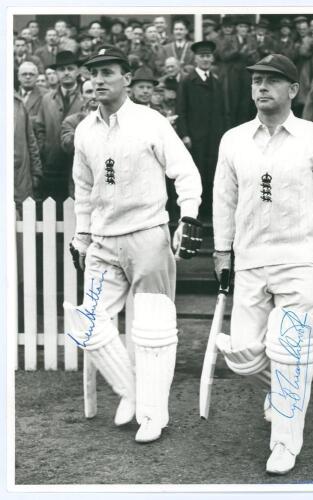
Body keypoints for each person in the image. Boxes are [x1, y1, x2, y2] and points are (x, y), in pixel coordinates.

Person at [212, 54, 313, 475]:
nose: (262, 87)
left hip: (298, 263)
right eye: (256, 80)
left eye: (272, 80)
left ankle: (285, 442)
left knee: (292, 354)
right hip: (251, 263)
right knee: (241, 352)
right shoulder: (233, 139)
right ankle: (281, 390)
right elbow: (223, 200)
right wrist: (223, 251)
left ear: (293, 90)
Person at [64, 45, 202, 444]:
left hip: (147, 236)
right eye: (95, 73)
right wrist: (82, 236)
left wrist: (188, 215)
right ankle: (132, 391)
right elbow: (85, 189)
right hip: (104, 241)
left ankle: (153, 414)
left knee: (153, 329)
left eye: (108, 72)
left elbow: (186, 173)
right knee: (89, 322)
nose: (100, 80)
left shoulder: (150, 121)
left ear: (127, 79)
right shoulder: (86, 130)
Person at [176, 41, 228, 216]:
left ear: (212, 58)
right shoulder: (187, 81)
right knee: (196, 171)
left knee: (212, 171)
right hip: (195, 137)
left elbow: (222, 111)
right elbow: (181, 110)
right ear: (195, 58)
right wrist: (184, 135)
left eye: (208, 56)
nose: (205, 59)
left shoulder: (216, 81)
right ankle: (195, 210)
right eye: (202, 56)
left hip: (214, 136)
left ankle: (209, 210)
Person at [36, 51, 84, 204]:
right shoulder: (47, 99)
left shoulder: (87, 97)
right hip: (52, 166)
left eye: (70, 68)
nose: (66, 73)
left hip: (79, 164)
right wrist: (45, 149)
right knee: (53, 212)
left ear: (77, 71)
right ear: (56, 73)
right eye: (62, 69)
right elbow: (39, 128)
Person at [60, 79, 99, 197]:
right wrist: (89, 123)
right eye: (89, 92)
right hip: (82, 180)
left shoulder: (115, 118)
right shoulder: (72, 121)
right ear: (82, 96)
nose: (93, 96)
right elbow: (67, 147)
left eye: (97, 91)